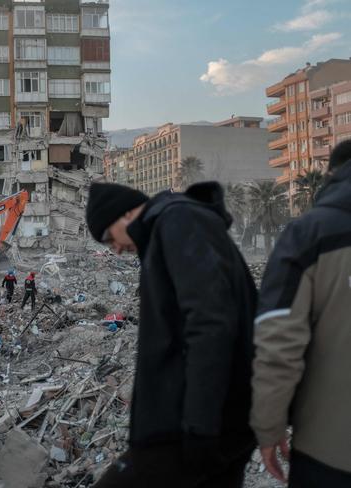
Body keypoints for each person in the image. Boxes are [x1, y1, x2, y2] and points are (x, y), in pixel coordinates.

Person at [86, 181, 257, 487]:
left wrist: (200, 425)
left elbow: (209, 322)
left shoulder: (177, 221)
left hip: (188, 426)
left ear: (126, 214)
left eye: (110, 237)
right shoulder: (170, 227)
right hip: (206, 421)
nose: (115, 248)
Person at [251, 140, 351, 487]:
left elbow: (279, 342)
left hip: (331, 451)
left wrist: (268, 426)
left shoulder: (309, 233)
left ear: (332, 175)